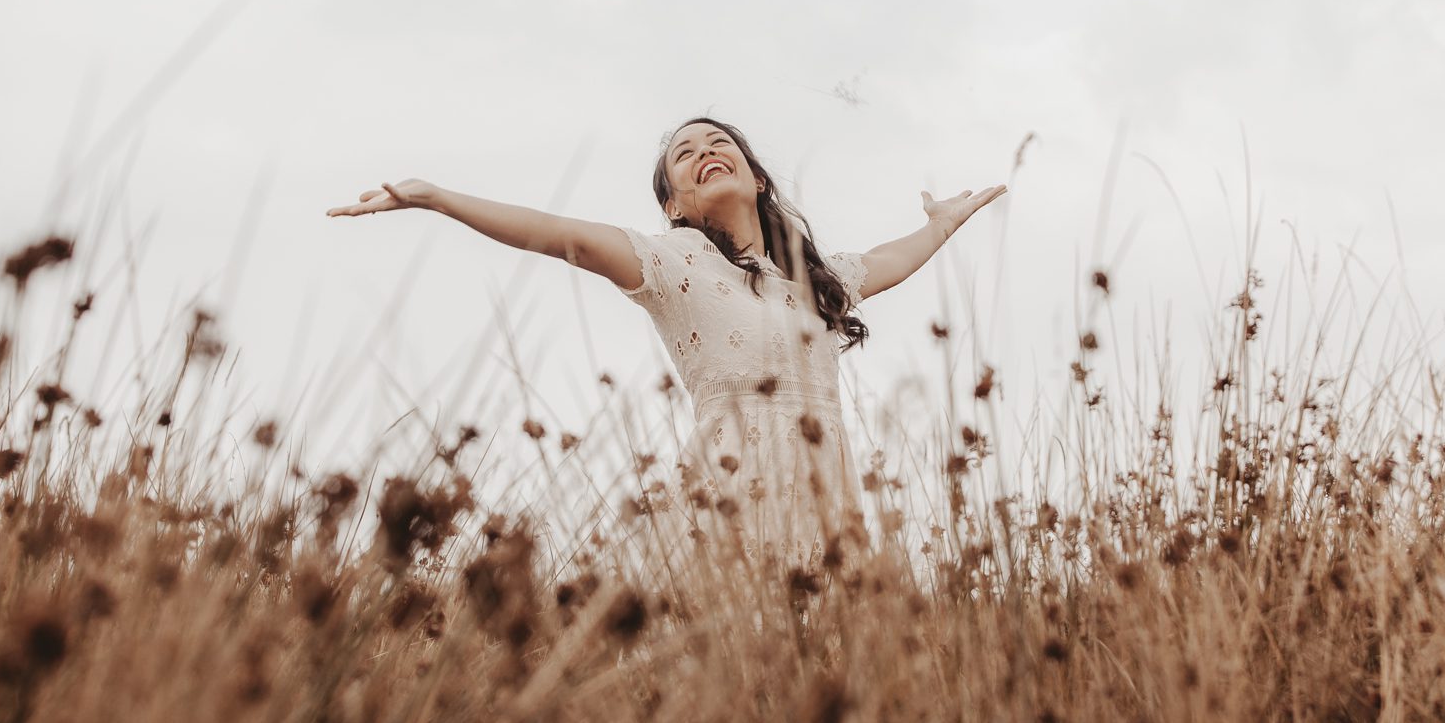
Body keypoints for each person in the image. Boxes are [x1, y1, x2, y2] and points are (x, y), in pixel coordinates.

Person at [327, 116, 1007, 572]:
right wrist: (439, 198)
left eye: (717, 142)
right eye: (684, 154)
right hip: (728, 495)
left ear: (757, 176)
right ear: (676, 204)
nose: (705, 151)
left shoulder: (814, 283)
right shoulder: (673, 261)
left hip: (828, 497)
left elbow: (891, 258)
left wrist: (944, 224)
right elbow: (557, 232)